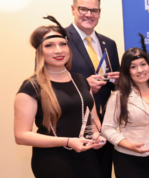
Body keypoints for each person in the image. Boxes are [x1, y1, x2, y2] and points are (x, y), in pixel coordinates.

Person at [14, 16, 106, 178]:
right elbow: (21, 136)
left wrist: (96, 135)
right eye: (49, 45)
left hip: (87, 158)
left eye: (63, 44)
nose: (58, 50)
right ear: (39, 51)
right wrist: (68, 141)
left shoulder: (81, 81)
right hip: (53, 162)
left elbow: (92, 119)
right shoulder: (32, 86)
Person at [65, 0, 120, 177]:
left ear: (100, 12)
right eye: (83, 9)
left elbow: (115, 87)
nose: (89, 14)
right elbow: (46, 83)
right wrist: (83, 85)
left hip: (105, 125)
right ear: (73, 9)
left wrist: (119, 81)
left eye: (94, 10)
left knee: (102, 172)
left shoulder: (109, 44)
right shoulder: (59, 40)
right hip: (72, 125)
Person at [102, 47, 149, 178]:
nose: (140, 70)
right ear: (126, 71)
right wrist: (129, 145)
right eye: (133, 66)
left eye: (143, 64)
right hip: (129, 160)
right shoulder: (119, 96)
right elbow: (107, 128)